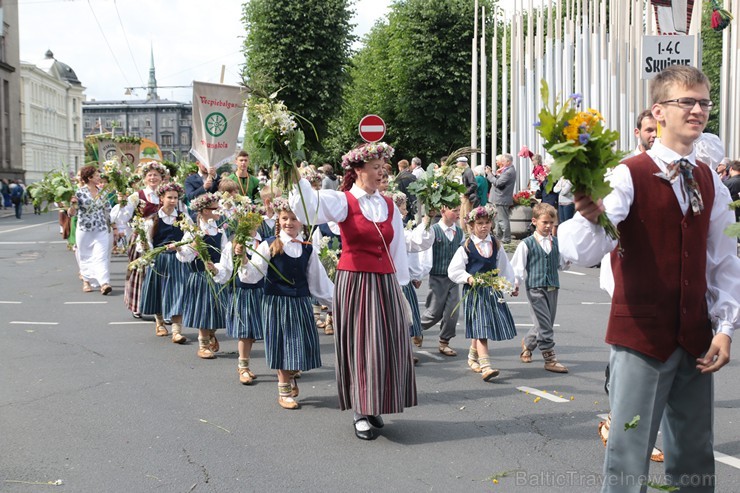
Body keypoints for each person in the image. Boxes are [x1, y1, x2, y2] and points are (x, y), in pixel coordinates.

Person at [559, 65, 740, 493]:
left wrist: (726, 328)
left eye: (704, 102)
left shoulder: (710, 180)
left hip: (696, 335)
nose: (698, 110)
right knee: (628, 452)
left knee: (696, 451)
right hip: (641, 335)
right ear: (659, 112)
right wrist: (592, 217)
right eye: (687, 102)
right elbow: (582, 250)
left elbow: (722, 260)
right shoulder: (627, 173)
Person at [289, 141, 416, 441]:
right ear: (358, 171)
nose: (381, 173)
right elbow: (308, 208)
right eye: (375, 168)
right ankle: (360, 410)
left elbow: (396, 248)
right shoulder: (343, 201)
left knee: (386, 344)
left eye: (383, 168)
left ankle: (376, 403)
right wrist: (296, 177)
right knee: (361, 344)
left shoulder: (387, 205)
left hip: (383, 281)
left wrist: (400, 286)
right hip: (356, 281)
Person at [240, 197, 332, 408]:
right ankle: (283, 391)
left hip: (299, 302)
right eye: (284, 218)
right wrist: (244, 260)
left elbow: (318, 281)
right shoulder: (268, 245)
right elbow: (253, 275)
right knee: (283, 344)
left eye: (294, 218)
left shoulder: (308, 248)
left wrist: (337, 303)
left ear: (302, 223)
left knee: (298, 343)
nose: (289, 222)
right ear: (278, 220)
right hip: (277, 303)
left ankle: (290, 376)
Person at [448, 205, 517, 381]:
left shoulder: (496, 244)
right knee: (482, 328)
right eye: (479, 223)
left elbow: (504, 266)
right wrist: (468, 278)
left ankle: (472, 357)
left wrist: (511, 285)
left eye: (487, 222)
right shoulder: (467, 246)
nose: (484, 226)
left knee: (483, 326)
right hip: (475, 293)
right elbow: (454, 270)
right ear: (471, 225)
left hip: (491, 290)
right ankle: (486, 366)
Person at [511, 203, 569, 373]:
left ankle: (528, 343)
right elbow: (517, 266)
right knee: (545, 324)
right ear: (534, 221)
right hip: (535, 288)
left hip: (552, 286)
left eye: (551, 222)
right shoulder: (526, 244)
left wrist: (568, 260)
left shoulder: (556, 243)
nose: (548, 226)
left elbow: (561, 265)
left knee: (545, 322)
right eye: (545, 222)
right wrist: (516, 284)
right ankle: (549, 358)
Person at [177, 193, 230, 360]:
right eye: (215, 209)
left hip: (216, 274)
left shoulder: (219, 229)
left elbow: (225, 251)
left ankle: (211, 333)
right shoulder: (194, 230)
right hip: (200, 275)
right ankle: (203, 344)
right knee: (204, 310)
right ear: (205, 211)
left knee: (218, 309)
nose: (218, 211)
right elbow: (184, 256)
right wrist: (189, 247)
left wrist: (220, 267)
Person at [138, 183, 190, 343]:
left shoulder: (183, 218)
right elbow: (145, 241)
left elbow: (190, 236)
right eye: (169, 197)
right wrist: (148, 251)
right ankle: (159, 322)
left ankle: (176, 331)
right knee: (157, 290)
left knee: (178, 292)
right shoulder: (153, 219)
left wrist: (181, 247)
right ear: (161, 198)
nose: (173, 201)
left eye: (175, 198)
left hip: (177, 258)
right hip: (159, 258)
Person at [417, 205, 463, 357]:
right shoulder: (433, 230)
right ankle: (414, 330)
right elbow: (424, 254)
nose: (457, 213)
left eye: (458, 210)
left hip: (454, 278)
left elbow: (463, 252)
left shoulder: (459, 232)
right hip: (437, 276)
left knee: (452, 311)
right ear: (443, 211)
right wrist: (419, 274)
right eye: (454, 210)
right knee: (434, 312)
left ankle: (444, 342)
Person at [67, 166, 113, 295]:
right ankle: (86, 281)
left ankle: (104, 283)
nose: (99, 177)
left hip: (101, 228)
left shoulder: (102, 192)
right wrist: (72, 204)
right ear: (89, 178)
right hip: (85, 229)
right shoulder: (79, 192)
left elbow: (108, 210)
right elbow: (71, 214)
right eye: (97, 175)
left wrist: (113, 227)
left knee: (101, 256)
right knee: (85, 255)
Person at [488, 153, 517, 244]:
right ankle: (499, 236)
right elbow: (498, 181)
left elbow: (498, 183)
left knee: (502, 219)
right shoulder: (507, 170)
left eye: (503, 161)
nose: (501, 162)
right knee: (498, 219)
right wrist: (493, 174)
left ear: (508, 162)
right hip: (499, 198)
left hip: (501, 198)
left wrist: (489, 174)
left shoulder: (509, 172)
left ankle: (506, 238)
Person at [458, 156, 479, 233]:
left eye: (458, 163)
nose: (457, 165)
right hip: (464, 197)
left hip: (466, 197)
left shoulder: (468, 171)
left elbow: (474, 184)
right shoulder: (465, 171)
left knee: (466, 216)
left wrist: (465, 193)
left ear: (462, 164)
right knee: (462, 216)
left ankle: (469, 233)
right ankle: (465, 232)